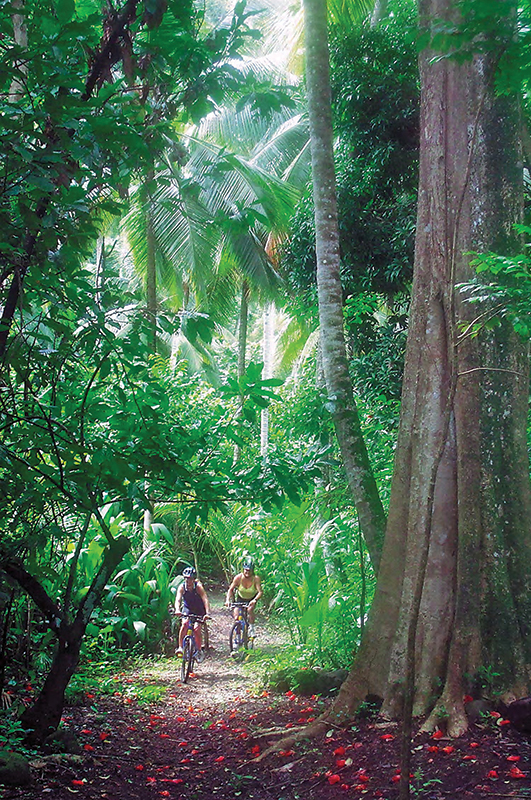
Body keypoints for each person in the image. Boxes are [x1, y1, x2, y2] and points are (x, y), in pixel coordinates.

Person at [175, 566, 210, 656]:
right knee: (185, 624)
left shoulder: (198, 587)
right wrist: (177, 609)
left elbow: (205, 599)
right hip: (188, 608)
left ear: (194, 579)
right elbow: (178, 599)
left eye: (190, 579)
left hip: (199, 609)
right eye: (186, 579)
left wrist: (207, 613)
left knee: (196, 629)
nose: (188, 581)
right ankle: (180, 647)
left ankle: (198, 650)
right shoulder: (182, 587)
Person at [226, 558, 262, 636]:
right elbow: (230, 589)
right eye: (246, 570)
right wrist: (227, 600)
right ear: (243, 570)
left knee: (250, 610)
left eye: (249, 570)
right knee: (236, 616)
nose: (247, 572)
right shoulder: (238, 578)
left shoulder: (256, 579)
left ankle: (252, 628)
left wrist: (255, 600)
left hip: (251, 599)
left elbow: (260, 592)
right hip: (240, 598)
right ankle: (237, 636)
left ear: (252, 571)